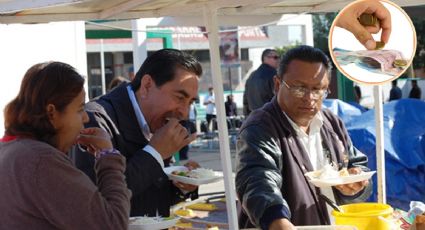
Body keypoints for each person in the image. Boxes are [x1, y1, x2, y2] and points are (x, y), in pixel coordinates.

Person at [236, 46, 372, 229]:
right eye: (299, 88)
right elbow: (258, 180)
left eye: (318, 90)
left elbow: (355, 164)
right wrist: (277, 220)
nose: (309, 98)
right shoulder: (260, 127)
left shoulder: (331, 122)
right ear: (277, 85)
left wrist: (358, 182)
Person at [0, 62, 131, 229]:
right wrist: (107, 155)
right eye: (80, 109)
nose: (85, 118)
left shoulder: (11, 150)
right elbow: (113, 224)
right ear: (51, 113)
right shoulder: (41, 161)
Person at [73, 49, 202, 217]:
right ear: (147, 85)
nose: (184, 113)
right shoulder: (94, 120)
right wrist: (155, 153)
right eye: (180, 97)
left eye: (190, 102)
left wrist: (180, 185)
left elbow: (146, 197)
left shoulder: (153, 122)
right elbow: (98, 200)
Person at [243, 49, 279, 115]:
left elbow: (245, 102)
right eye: (275, 57)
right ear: (265, 58)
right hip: (270, 117)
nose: (278, 60)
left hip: (254, 118)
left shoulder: (251, 76)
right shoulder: (274, 75)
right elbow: (279, 98)